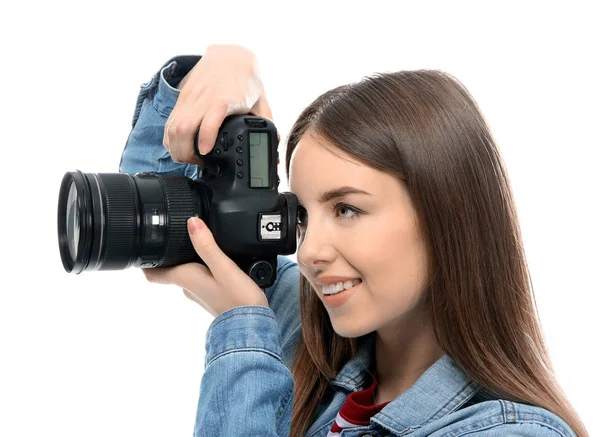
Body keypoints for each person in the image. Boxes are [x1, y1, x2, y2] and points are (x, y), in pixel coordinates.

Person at [119, 45, 588, 437]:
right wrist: (220, 70)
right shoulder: (307, 333)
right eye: (302, 215)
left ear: (445, 214)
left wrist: (242, 332)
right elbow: (157, 209)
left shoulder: (509, 432)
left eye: (347, 209)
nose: (307, 253)